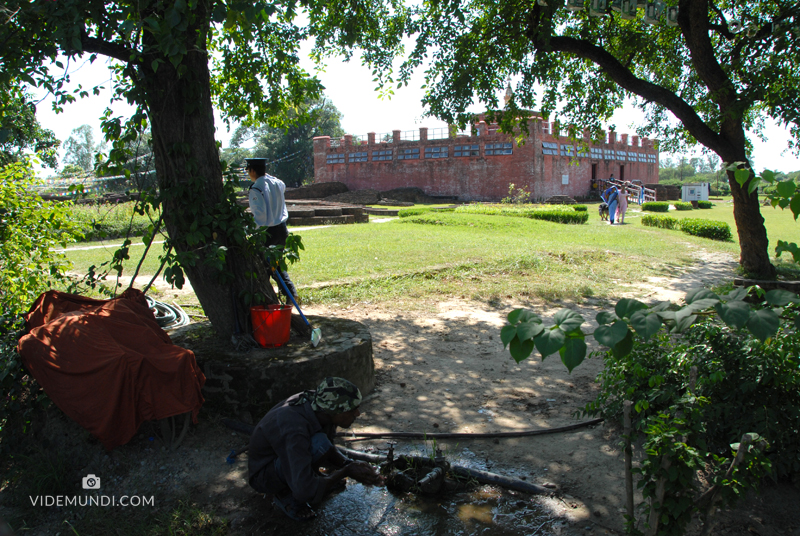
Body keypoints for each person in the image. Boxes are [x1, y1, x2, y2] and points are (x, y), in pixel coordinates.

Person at [248, 377, 385, 521]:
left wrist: (348, 464)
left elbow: (327, 447)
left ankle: (316, 480)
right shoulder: (295, 430)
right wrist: (345, 472)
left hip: (288, 456)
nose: (357, 414)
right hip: (264, 475)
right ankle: (285, 495)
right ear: (334, 412)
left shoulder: (321, 404)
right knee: (314, 457)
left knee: (320, 443)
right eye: (352, 409)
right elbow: (305, 490)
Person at [246, 158, 297, 302]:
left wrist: (248, 230)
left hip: (268, 232)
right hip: (282, 229)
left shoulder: (256, 188)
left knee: (264, 268)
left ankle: (267, 299)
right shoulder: (277, 182)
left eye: (249, 171)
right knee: (275, 264)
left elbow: (260, 216)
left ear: (253, 171)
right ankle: (289, 293)